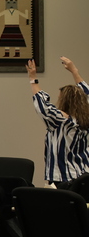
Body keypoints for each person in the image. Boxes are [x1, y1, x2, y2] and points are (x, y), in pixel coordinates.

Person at [28, 56, 89, 185]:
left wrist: (33, 79)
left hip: (62, 178)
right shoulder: (86, 118)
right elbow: (87, 94)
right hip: (84, 175)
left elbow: (42, 105)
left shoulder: (60, 121)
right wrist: (74, 71)